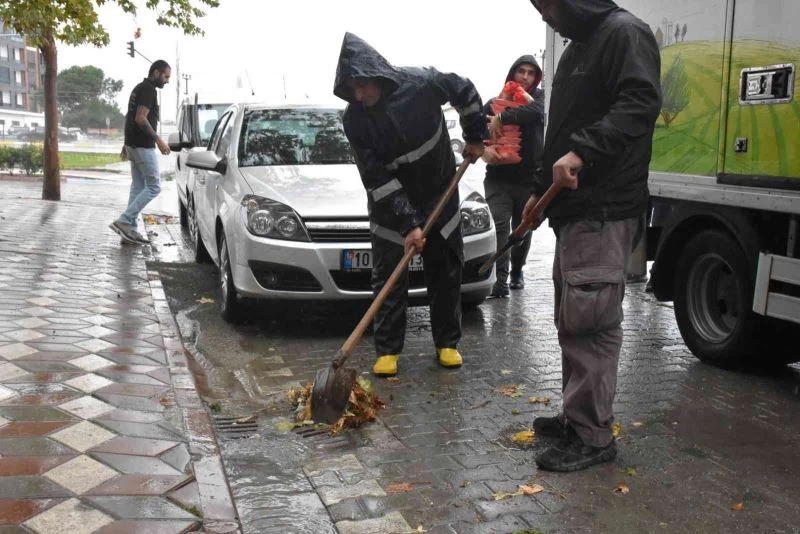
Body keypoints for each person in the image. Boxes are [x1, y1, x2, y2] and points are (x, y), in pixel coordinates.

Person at [524, 0, 661, 471]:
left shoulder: (625, 33)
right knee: (572, 319)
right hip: (575, 211)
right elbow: (561, 128)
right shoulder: (578, 48)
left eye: (546, 4)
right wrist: (538, 191)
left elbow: (640, 104)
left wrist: (583, 152)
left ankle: (593, 437)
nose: (544, 15)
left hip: (604, 208)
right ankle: (575, 416)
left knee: (592, 323)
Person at [333, 32, 486, 377]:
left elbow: (464, 90)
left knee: (445, 268)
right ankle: (388, 350)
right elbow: (375, 177)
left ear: (376, 73)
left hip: (439, 191)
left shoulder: (421, 82)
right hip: (390, 206)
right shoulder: (354, 120)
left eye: (363, 86)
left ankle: (447, 343)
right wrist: (408, 224)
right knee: (389, 274)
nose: (360, 95)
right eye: (352, 90)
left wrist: (475, 134)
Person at [482, 55, 545, 297]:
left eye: (531, 73)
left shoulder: (539, 99)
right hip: (498, 178)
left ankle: (517, 269)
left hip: (529, 179)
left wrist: (504, 117)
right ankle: (499, 281)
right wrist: (485, 151)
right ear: (512, 74)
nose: (526, 77)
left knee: (522, 229)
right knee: (499, 227)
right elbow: (477, 130)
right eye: (521, 72)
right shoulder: (495, 102)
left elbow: (536, 112)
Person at [109, 60, 172, 245]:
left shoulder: (138, 88)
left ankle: (130, 231)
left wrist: (125, 143)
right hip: (143, 146)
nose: (167, 81)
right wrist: (158, 139)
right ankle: (124, 220)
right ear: (156, 72)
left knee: (138, 186)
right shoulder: (149, 90)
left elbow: (129, 116)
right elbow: (140, 118)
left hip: (132, 144)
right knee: (154, 186)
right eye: (165, 76)